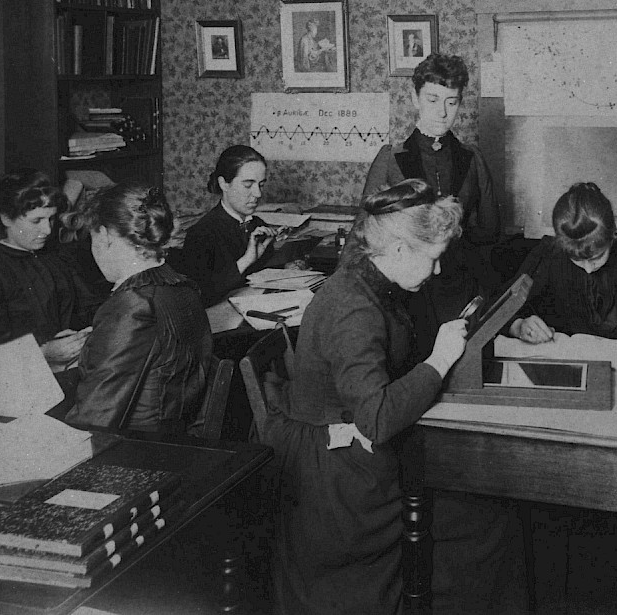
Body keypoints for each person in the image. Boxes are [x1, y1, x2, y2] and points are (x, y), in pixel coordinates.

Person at [263, 179, 472, 614]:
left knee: (477, 519)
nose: (436, 272)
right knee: (477, 525)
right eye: (432, 259)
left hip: (341, 454)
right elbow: (374, 419)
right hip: (329, 478)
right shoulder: (354, 307)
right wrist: (439, 362)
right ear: (398, 251)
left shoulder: (369, 280)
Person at [362, 53, 500, 347]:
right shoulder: (390, 160)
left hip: (460, 295)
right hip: (405, 299)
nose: (442, 112)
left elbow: (490, 232)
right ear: (415, 98)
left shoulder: (472, 159)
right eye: (432, 99)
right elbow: (363, 237)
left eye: (452, 102)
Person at [66, 183, 213, 434]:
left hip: (137, 449)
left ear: (106, 237)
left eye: (92, 239)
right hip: (176, 437)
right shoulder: (182, 286)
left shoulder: (132, 305)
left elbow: (93, 418)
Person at [509, 182, 617, 347]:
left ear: (612, 234)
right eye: (577, 259)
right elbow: (496, 313)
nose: (588, 268)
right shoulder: (548, 255)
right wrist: (519, 326)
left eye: (596, 257)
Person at [0, 170, 92, 373]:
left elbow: (88, 309)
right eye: (36, 221)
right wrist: (43, 353)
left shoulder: (59, 259)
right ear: (6, 218)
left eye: (50, 219)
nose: (48, 230)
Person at [180, 145, 278, 306]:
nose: (258, 194)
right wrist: (246, 261)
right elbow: (200, 295)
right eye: (248, 185)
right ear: (224, 184)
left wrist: (288, 268)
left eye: (261, 185)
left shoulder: (258, 225)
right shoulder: (202, 233)